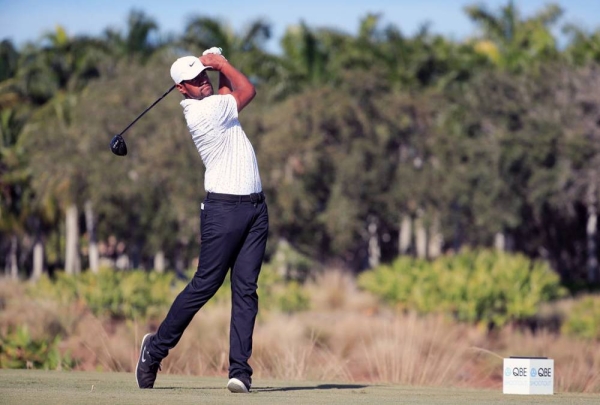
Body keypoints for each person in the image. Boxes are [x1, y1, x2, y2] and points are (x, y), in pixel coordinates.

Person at [135, 49, 268, 394]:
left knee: (246, 291)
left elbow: (227, 94)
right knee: (205, 284)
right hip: (223, 210)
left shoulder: (216, 104)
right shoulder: (201, 112)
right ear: (182, 89)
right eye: (194, 81)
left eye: (203, 75)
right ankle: (155, 348)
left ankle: (240, 372)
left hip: (255, 209)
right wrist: (221, 64)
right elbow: (246, 92)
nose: (202, 82)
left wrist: (217, 67)